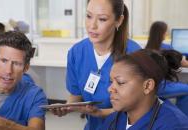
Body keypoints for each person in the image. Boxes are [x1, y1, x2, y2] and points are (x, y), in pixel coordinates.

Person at [50, 0, 141, 130]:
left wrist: (100, 113)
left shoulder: (134, 54)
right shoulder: (77, 52)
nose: (92, 26)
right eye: (88, 16)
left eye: (102, 19)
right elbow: (76, 96)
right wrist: (67, 107)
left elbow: (139, 108)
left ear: (119, 21)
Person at [0, 31, 48, 130]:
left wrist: (8, 126)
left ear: (26, 67)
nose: (8, 71)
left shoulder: (35, 95)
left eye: (16, 63)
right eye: (4, 61)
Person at [100, 49, 188, 130]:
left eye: (120, 82)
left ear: (147, 86)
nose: (110, 89)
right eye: (111, 82)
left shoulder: (173, 125)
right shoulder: (113, 120)